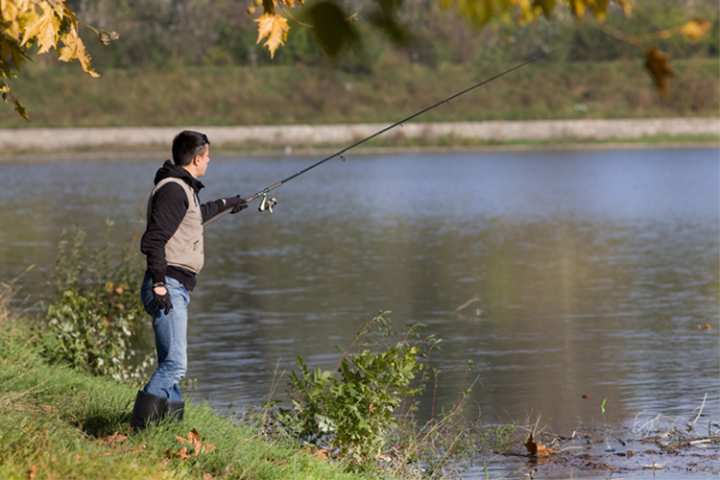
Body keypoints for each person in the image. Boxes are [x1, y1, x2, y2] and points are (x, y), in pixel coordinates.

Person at [131, 130, 247, 429]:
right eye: (208, 156)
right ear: (197, 158)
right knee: (175, 365)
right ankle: (139, 429)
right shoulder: (173, 189)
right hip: (166, 286)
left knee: (170, 363)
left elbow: (195, 215)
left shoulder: (183, 189)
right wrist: (158, 283)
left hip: (174, 286)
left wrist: (228, 202)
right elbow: (153, 240)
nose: (209, 161)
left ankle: (168, 431)